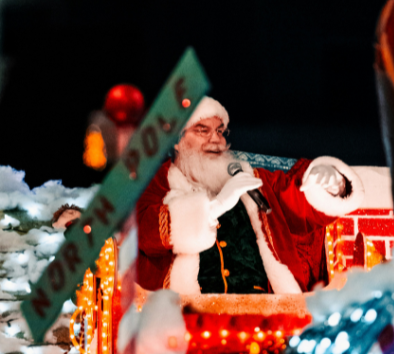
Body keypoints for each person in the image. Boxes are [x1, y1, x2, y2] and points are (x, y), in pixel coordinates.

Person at [136, 97, 364, 295]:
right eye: (202, 131)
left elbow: (300, 204)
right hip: (193, 314)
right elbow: (145, 234)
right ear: (177, 141)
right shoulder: (159, 183)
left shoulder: (254, 179)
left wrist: (331, 181)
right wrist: (214, 207)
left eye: (219, 131)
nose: (215, 139)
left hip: (267, 309)